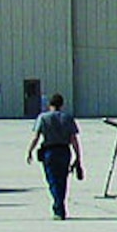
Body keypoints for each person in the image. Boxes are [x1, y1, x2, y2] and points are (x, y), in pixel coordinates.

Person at [26, 92, 82, 220]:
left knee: (52, 180)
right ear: (62, 105)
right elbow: (74, 139)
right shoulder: (67, 118)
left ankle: (58, 207)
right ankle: (60, 205)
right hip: (64, 151)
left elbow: (36, 137)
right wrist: (78, 157)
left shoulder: (43, 118)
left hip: (49, 152)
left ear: (49, 104)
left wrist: (30, 151)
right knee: (62, 181)